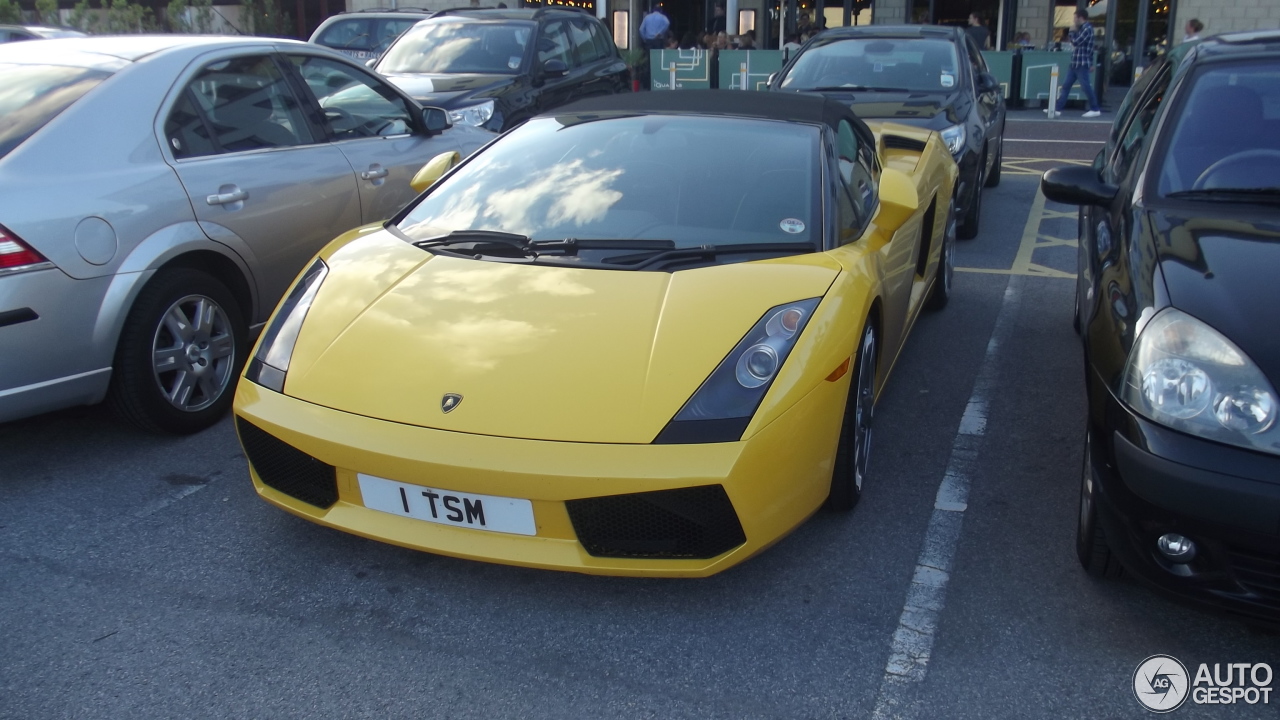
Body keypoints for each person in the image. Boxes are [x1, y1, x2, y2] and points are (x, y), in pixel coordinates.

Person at [1049, 9, 1101, 118]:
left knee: (1086, 86)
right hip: (1076, 62)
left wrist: (1071, 32)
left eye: (1075, 18)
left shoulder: (1087, 29)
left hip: (1081, 63)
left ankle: (1095, 108)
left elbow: (1077, 42)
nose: (1073, 20)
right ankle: (1057, 108)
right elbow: (1089, 48)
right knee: (1066, 86)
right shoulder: (1083, 29)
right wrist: (1091, 63)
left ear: (1080, 18)